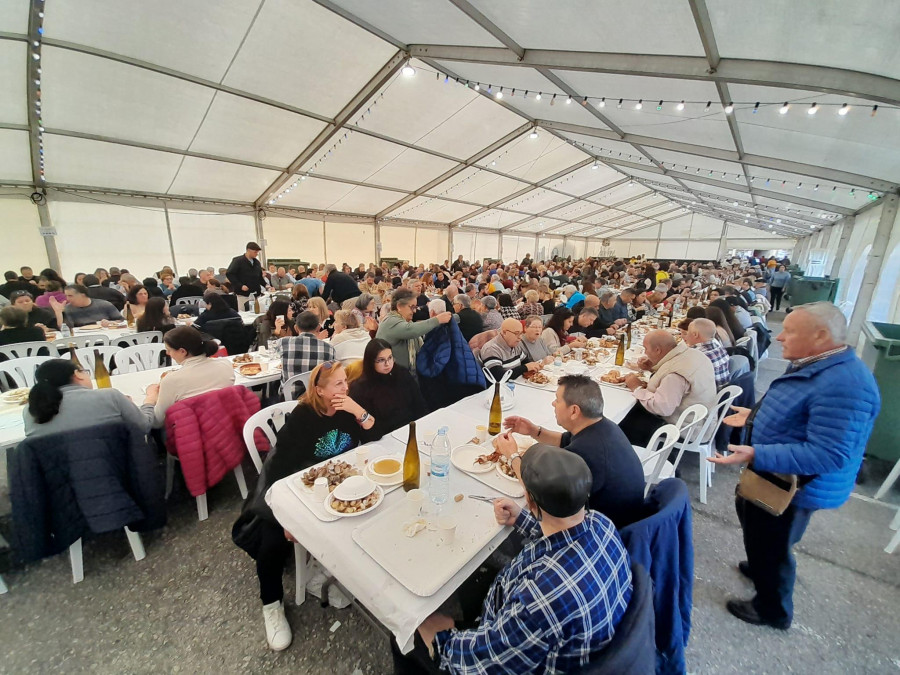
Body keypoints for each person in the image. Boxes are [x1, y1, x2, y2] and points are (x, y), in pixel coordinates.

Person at [709, 302, 879, 630]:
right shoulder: (815, 364)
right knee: (760, 532)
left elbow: (829, 453)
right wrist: (753, 417)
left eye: (790, 331)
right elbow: (795, 412)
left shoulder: (846, 386)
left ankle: (772, 608)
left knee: (774, 542)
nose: (779, 337)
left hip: (795, 485)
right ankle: (761, 566)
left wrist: (757, 454)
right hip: (777, 474)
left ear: (820, 335)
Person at [403, 445, 632, 673]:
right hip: (575, 637)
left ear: (531, 502)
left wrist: (440, 636)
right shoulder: (602, 523)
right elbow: (562, 535)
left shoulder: (540, 600)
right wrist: (524, 519)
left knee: (407, 639)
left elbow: (486, 661)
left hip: (522, 656)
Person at [232, 361, 374, 651]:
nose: (345, 388)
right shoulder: (303, 416)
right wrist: (288, 518)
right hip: (298, 483)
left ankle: (322, 572)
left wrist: (359, 411)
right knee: (272, 540)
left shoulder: (348, 408)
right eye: (338, 384)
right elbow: (279, 467)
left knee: (370, 508)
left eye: (345, 382)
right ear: (319, 390)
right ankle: (271, 605)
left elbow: (372, 436)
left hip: (338, 481)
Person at [499, 374, 645, 527]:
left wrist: (512, 455)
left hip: (603, 530)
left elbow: (539, 491)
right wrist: (533, 431)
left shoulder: (585, 453)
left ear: (574, 411)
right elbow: (563, 440)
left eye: (557, 400)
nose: (553, 404)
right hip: (627, 517)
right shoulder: (602, 426)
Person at [619, 329, 717, 446]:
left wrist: (637, 388)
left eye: (646, 349)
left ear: (657, 350)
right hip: (702, 420)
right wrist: (655, 365)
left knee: (624, 421)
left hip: (686, 428)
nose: (645, 353)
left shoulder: (675, 375)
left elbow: (662, 408)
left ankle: (633, 456)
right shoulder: (692, 354)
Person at [24, 359, 155, 437]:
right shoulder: (109, 396)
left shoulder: (31, 409)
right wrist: (149, 400)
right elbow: (144, 426)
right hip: (114, 467)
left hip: (55, 476)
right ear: (77, 374)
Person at [142, 326, 235, 427]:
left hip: (191, 433)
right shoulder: (225, 365)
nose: (167, 353)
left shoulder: (171, 380)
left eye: (169, 350)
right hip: (225, 426)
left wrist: (150, 399)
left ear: (183, 351)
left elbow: (157, 422)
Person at [348, 338, 427, 441]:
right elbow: (368, 434)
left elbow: (420, 406)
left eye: (390, 358)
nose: (387, 364)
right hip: (383, 440)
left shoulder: (402, 373)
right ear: (370, 362)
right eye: (381, 360)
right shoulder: (360, 389)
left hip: (412, 432)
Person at [375, 289, 451, 377]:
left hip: (404, 376)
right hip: (394, 378)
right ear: (399, 306)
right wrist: (437, 320)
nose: (414, 311)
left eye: (415, 307)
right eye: (412, 307)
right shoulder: (390, 321)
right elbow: (411, 330)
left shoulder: (403, 321)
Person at [280, 310, 336, 381]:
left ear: (296, 328)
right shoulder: (329, 349)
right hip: (317, 390)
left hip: (290, 391)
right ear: (318, 328)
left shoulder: (284, 343)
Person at [684, 318, 730, 390]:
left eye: (687, 332)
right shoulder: (718, 345)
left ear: (695, 335)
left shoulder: (698, 355)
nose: (686, 336)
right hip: (723, 391)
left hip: (708, 396)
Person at [49, 284, 123, 328]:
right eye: (66, 296)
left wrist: (111, 323)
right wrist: (58, 313)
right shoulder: (68, 309)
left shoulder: (104, 305)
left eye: (70, 296)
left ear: (82, 295)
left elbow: (121, 321)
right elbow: (66, 329)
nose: (68, 299)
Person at [227, 242, 266, 310]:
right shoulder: (238, 261)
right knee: (244, 312)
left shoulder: (257, 262)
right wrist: (240, 285)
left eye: (257, 252)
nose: (257, 254)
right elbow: (230, 274)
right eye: (255, 252)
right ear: (248, 250)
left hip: (256, 293)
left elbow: (259, 277)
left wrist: (266, 285)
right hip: (243, 294)